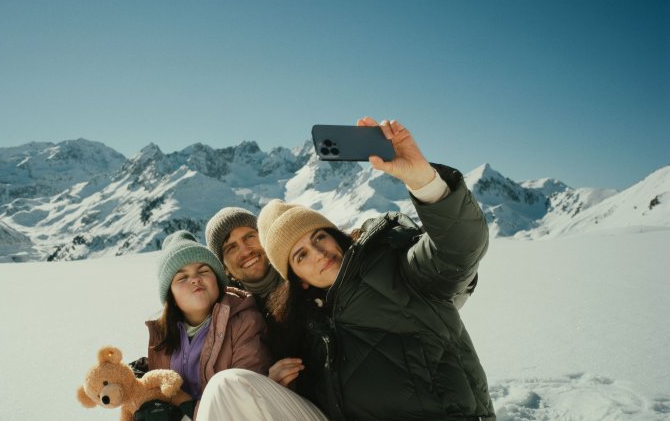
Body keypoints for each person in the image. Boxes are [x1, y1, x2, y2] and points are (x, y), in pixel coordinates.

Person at [196, 117, 494, 421]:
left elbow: (459, 247)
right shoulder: (305, 325)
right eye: (301, 255)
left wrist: (424, 181)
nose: (319, 253)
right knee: (227, 386)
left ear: (335, 236)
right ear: (298, 280)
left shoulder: (397, 267)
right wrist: (277, 387)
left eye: (319, 237)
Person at [139, 230, 273, 420]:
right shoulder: (162, 333)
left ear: (218, 282)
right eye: (182, 278)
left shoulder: (244, 321)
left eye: (203, 271)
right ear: (171, 296)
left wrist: (184, 405)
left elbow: (244, 399)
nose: (195, 279)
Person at [204, 207, 284, 319]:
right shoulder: (224, 315)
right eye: (231, 248)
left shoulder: (302, 278)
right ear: (224, 268)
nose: (246, 251)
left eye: (249, 237)